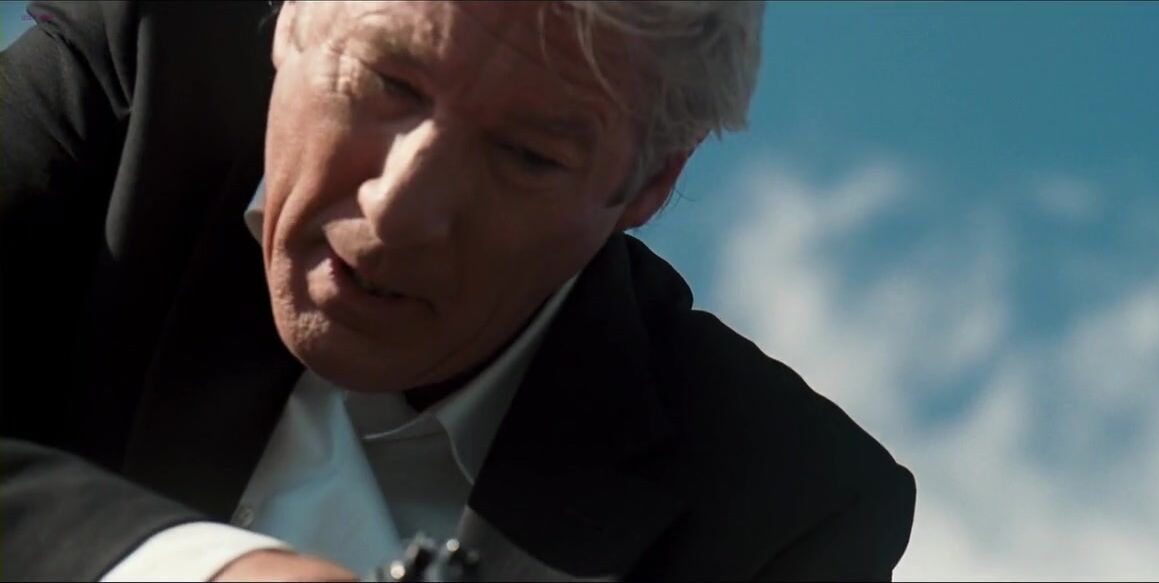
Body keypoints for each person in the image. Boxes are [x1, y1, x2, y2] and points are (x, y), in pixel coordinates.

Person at [0, 1, 916, 580]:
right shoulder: (135, 74)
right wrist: (210, 570)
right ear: (290, 15)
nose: (398, 212)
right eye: (387, 81)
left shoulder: (790, 511)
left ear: (646, 187)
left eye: (526, 155)